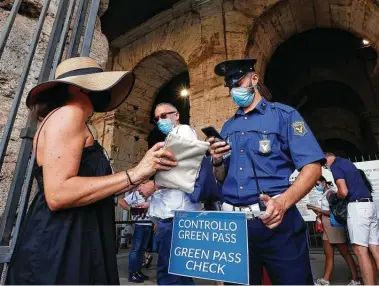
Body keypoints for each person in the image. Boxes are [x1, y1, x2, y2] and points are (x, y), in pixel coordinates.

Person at [6, 57, 177, 285]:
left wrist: (136, 177)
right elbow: (58, 193)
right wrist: (134, 173)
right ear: (78, 87)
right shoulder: (70, 113)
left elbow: (88, 185)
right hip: (64, 241)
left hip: (77, 234)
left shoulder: (71, 118)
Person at [209, 59, 325, 284]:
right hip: (236, 227)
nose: (234, 90)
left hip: (276, 221)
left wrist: (282, 203)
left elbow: (313, 166)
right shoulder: (228, 127)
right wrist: (216, 162)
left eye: (238, 81)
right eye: (230, 86)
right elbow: (221, 178)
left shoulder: (284, 116)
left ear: (254, 79)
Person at [138, 102, 202, 285]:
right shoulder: (170, 138)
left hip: (177, 215)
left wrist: (154, 185)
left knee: (169, 274)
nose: (160, 121)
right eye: (157, 118)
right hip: (170, 215)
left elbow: (183, 167)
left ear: (176, 116)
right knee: (176, 271)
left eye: (164, 116)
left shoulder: (183, 131)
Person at [325, 153, 379, 285]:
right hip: (370, 205)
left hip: (358, 208)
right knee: (375, 250)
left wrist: (335, 196)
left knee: (361, 252)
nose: (325, 167)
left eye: (323, 164)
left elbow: (343, 191)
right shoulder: (347, 162)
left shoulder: (335, 166)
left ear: (326, 158)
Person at [307, 176, 360, 285]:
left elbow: (335, 212)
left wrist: (319, 210)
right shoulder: (324, 194)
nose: (317, 187)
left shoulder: (330, 193)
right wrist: (315, 210)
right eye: (315, 185)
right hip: (326, 229)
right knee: (328, 254)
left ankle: (355, 279)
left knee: (345, 253)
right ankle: (325, 280)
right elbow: (323, 212)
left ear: (324, 182)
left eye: (317, 184)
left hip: (334, 227)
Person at [119, 191, 152, 283]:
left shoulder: (153, 193)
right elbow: (121, 202)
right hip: (138, 225)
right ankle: (132, 273)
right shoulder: (136, 194)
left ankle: (138, 272)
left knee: (142, 250)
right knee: (136, 249)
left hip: (149, 224)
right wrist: (131, 209)